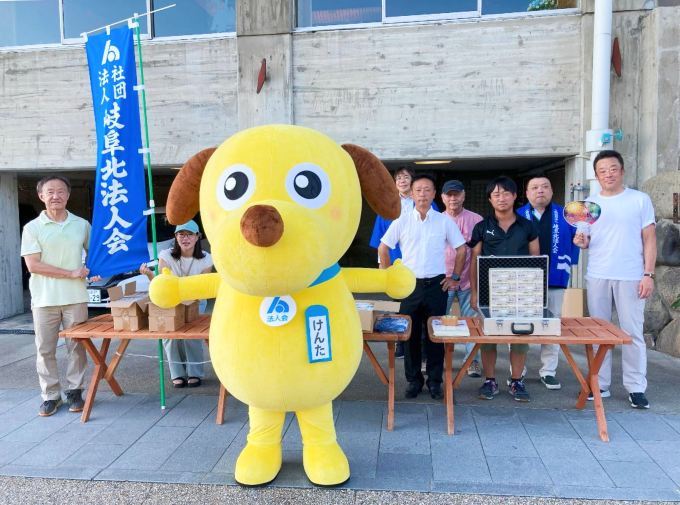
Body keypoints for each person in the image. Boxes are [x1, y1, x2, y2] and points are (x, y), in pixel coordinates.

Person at [573, 150, 655, 409]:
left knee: (632, 333)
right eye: (602, 170)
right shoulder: (588, 204)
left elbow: (650, 239)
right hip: (597, 274)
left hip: (631, 275)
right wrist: (581, 241)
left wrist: (648, 274)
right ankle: (599, 383)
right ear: (596, 175)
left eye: (613, 168)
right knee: (599, 333)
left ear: (622, 171)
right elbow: (585, 240)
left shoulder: (640, 200)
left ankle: (636, 387)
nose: (608, 174)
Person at [378, 174, 466, 400]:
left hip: (437, 285)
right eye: (419, 190)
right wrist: (386, 277)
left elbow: (462, 249)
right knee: (410, 335)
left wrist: (454, 276)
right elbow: (383, 247)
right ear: (412, 194)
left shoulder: (445, 221)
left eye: (427, 190)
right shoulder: (402, 221)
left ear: (434, 194)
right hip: (409, 286)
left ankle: (435, 382)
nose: (423, 194)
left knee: (436, 334)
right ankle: (414, 380)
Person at [21, 176, 98, 417]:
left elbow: (96, 252)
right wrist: (71, 273)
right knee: (45, 349)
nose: (56, 196)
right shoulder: (32, 228)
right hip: (44, 299)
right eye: (50, 192)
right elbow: (33, 265)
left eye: (61, 191)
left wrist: (96, 270)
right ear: (41, 196)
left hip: (76, 297)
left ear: (68, 195)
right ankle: (50, 395)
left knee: (77, 347)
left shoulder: (81, 224)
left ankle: (75, 390)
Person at [469, 176, 540, 402]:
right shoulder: (481, 227)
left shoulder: (528, 226)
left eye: (506, 193)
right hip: (490, 292)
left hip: (521, 292)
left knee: (520, 335)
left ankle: (516, 380)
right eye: (496, 194)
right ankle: (490, 380)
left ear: (515, 196)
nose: (502, 198)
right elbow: (474, 261)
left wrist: (535, 294)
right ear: (490, 199)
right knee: (489, 337)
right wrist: (474, 293)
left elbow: (536, 261)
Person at [517, 173, 580, 390]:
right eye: (534, 188)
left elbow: (577, 241)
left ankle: (548, 370)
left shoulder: (566, 215)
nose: (540, 191)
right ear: (527, 193)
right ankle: (518, 371)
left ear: (552, 191)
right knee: (519, 325)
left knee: (551, 324)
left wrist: (581, 241)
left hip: (555, 277)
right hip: (523, 281)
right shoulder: (517, 215)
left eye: (545, 187)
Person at [369, 166, 438, 361]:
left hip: (419, 263)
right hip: (395, 264)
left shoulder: (427, 204)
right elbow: (379, 241)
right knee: (399, 305)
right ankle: (401, 342)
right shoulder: (387, 205)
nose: (402, 181)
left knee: (422, 306)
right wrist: (383, 267)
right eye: (398, 178)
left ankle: (424, 344)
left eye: (406, 177)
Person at [141, 220, 213, 388]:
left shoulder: (206, 259)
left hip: (195, 301)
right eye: (181, 234)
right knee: (171, 337)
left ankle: (195, 373)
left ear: (197, 237)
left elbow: (202, 288)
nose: (185, 238)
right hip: (170, 302)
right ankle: (177, 373)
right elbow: (160, 283)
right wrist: (150, 275)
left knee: (192, 338)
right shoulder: (165, 256)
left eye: (190, 234)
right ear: (175, 237)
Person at [440, 180, 484, 377]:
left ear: (463, 195)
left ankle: (472, 360)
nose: (453, 198)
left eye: (456, 194)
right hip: (443, 280)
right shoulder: (437, 220)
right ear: (442, 198)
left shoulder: (476, 220)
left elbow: (480, 252)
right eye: (449, 195)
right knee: (439, 321)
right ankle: (436, 359)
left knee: (471, 322)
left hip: (468, 280)